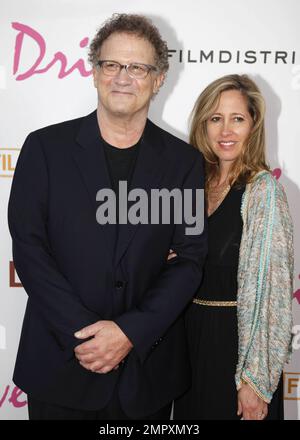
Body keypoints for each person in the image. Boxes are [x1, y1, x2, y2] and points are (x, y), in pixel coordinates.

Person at [8, 14, 207, 420]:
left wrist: (129, 332)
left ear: (159, 78)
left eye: (137, 67)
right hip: (61, 364)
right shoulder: (46, 149)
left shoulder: (183, 162)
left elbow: (189, 259)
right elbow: (29, 249)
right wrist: (87, 334)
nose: (122, 77)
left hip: (147, 374)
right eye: (111, 64)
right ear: (94, 71)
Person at [173, 74, 294, 420]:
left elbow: (272, 296)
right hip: (189, 343)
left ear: (253, 125)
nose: (226, 130)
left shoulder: (263, 192)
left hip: (235, 350)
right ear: (202, 125)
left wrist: (254, 381)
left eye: (237, 119)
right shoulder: (190, 189)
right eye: (216, 118)